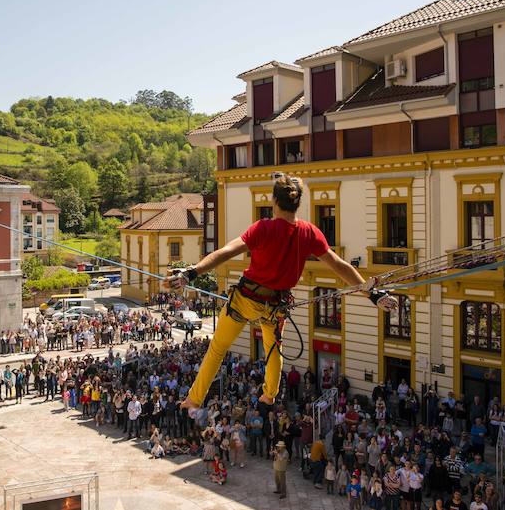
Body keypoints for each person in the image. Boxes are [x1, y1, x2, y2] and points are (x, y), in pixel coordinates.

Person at [165, 174, 396, 411]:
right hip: (275, 305)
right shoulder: (309, 232)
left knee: (218, 348)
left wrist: (191, 272)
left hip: (246, 298)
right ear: (298, 203)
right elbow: (340, 266)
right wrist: (372, 294)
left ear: (274, 200)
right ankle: (269, 395)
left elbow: (225, 252)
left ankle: (194, 399)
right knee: (274, 349)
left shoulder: (263, 228)